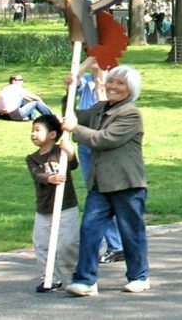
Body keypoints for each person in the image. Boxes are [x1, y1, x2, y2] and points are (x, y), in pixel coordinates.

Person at [63, 65, 150, 296]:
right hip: (100, 184)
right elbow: (73, 117)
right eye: (111, 81)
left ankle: (139, 276)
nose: (113, 86)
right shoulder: (99, 108)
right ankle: (85, 280)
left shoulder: (131, 113)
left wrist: (76, 130)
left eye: (120, 83)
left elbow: (105, 139)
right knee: (90, 230)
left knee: (131, 232)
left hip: (127, 184)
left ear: (130, 89)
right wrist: (73, 88)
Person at [69, 57, 124, 264]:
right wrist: (84, 66)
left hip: (100, 142)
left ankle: (117, 244)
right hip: (85, 142)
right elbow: (73, 81)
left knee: (103, 195)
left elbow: (104, 100)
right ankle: (116, 244)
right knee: (96, 193)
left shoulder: (113, 88)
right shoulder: (87, 83)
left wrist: (96, 63)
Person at [26, 114, 80, 293]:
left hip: (66, 206)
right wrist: (51, 177)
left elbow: (73, 165)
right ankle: (49, 278)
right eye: (32, 130)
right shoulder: (33, 158)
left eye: (37, 130)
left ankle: (76, 275)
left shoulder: (60, 152)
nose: (33, 134)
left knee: (67, 244)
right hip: (44, 208)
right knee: (41, 244)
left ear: (52, 134)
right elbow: (37, 174)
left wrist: (70, 151)